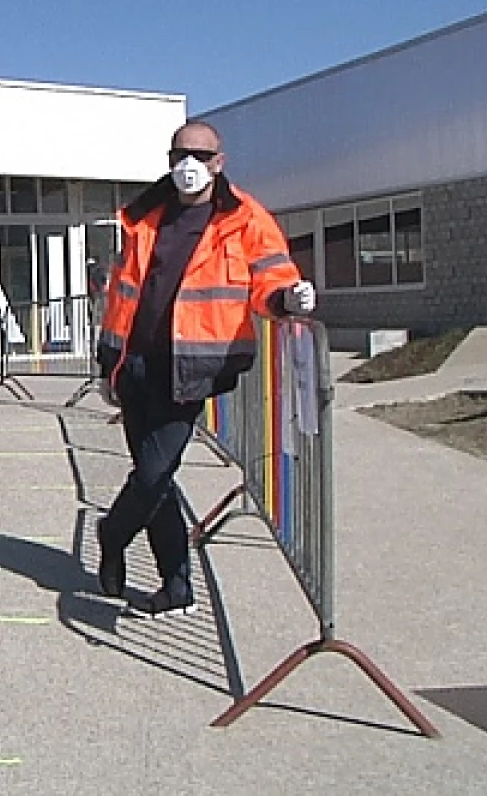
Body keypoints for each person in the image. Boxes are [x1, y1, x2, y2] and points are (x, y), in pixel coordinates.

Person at [93, 121, 315, 617]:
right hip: (136, 366)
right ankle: (177, 588)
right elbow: (121, 297)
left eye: (199, 155)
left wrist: (287, 300)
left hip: (191, 369)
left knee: (153, 472)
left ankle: (113, 533)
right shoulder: (144, 217)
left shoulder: (244, 218)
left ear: (219, 162)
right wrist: (108, 362)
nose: (187, 165)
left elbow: (270, 277)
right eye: (178, 154)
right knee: (158, 479)